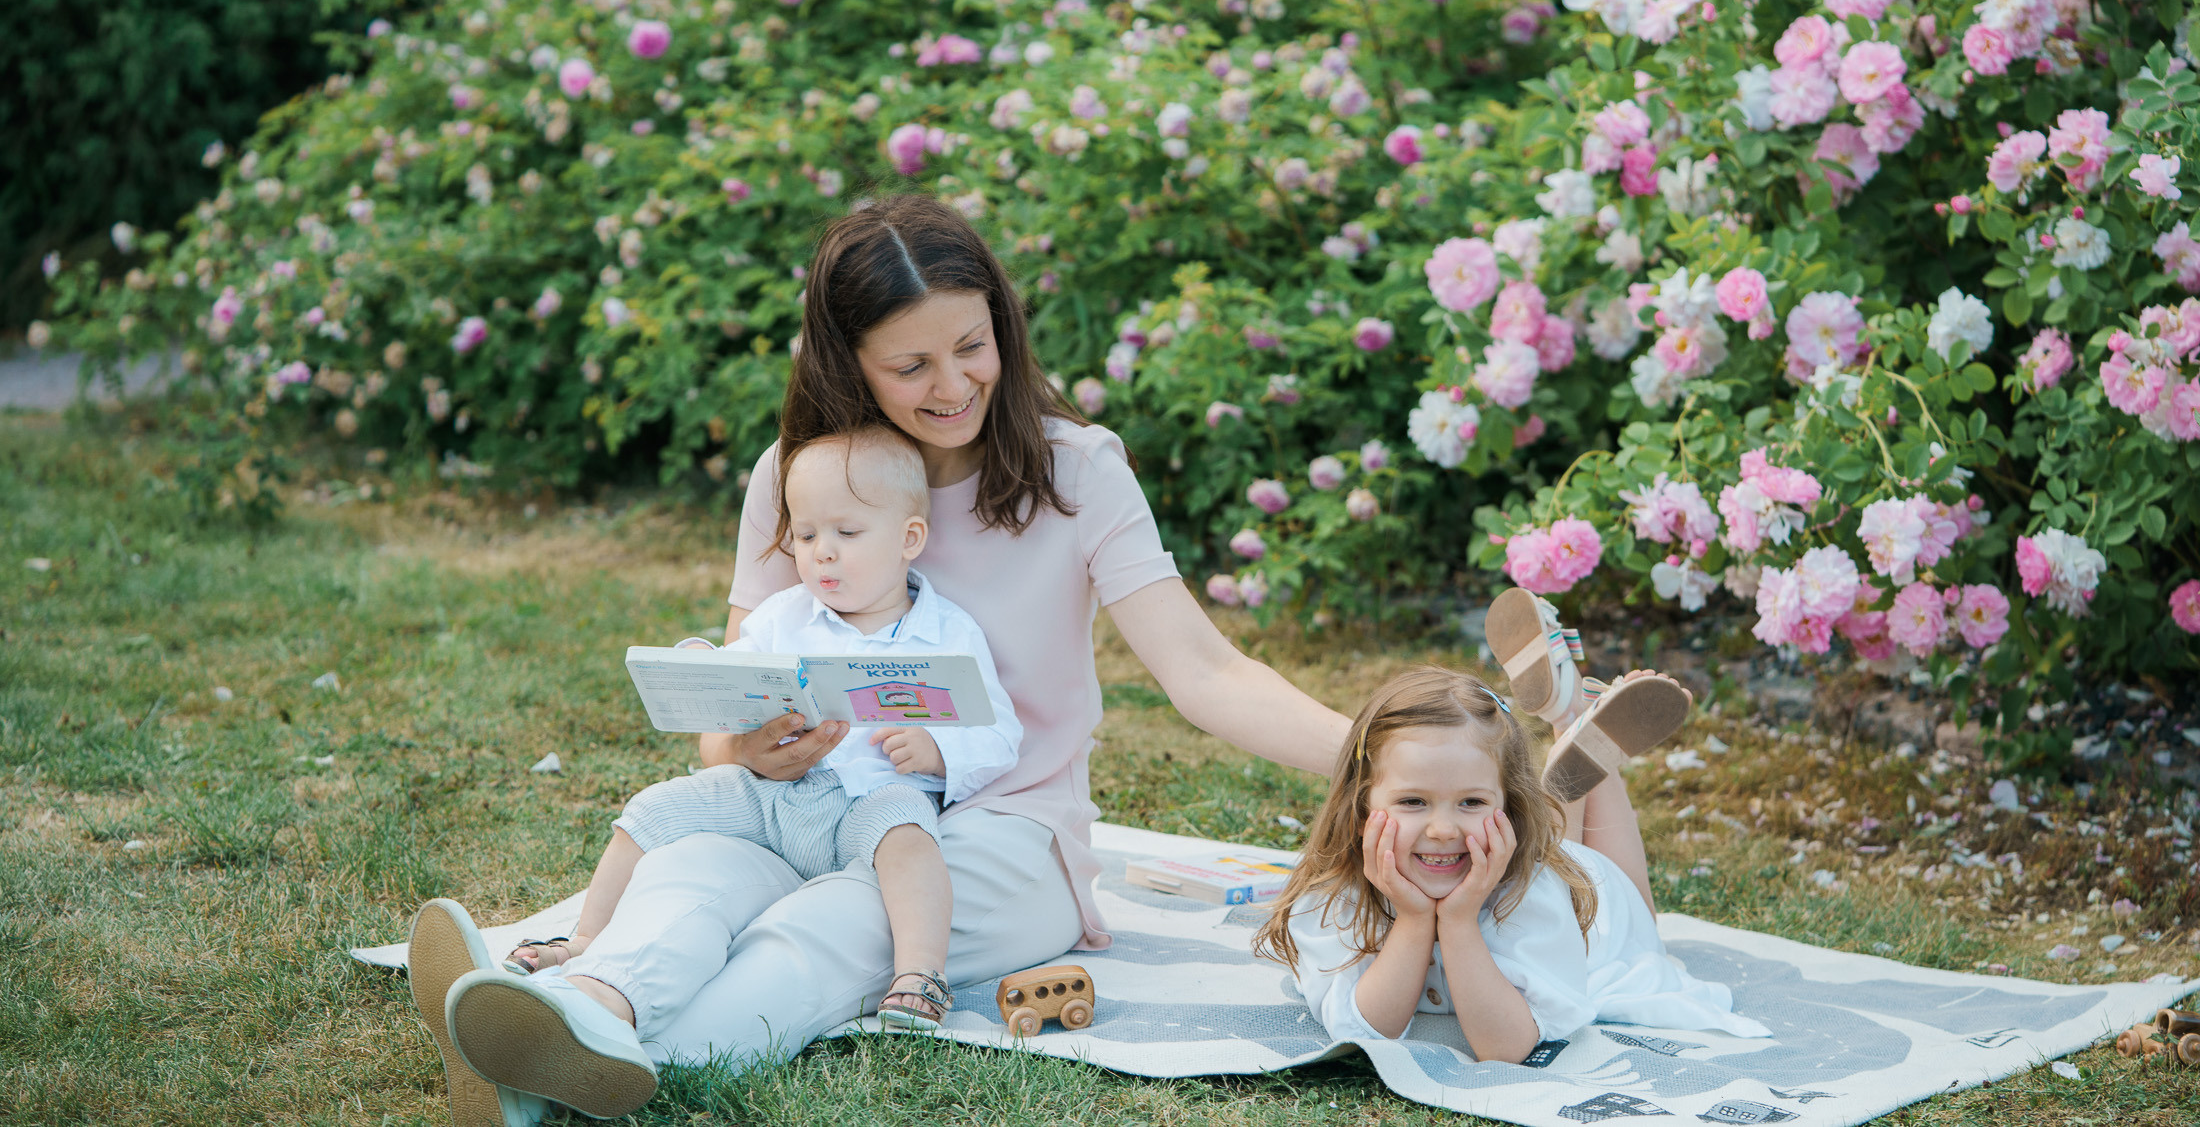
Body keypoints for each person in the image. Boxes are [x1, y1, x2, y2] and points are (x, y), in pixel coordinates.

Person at [405, 194, 1353, 1126]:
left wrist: (1378, 753)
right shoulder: (797, 477)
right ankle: (576, 1009)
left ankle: (558, 1066)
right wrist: (749, 748)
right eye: (911, 365)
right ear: (848, 361)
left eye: (972, 345)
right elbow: (730, 711)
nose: (954, 384)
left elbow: (1206, 673)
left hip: (1000, 828)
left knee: (829, 924)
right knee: (688, 877)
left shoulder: (1077, 471)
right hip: (801, 808)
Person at [487, 424, 1021, 1042]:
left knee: (911, 840)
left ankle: (920, 975)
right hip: (775, 794)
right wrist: (706, 673)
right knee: (653, 808)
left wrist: (938, 750)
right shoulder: (783, 617)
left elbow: (1000, 732)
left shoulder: (948, 633)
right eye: (806, 535)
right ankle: (586, 940)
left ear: (910, 538)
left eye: (847, 533)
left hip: (872, 802)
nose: (822, 552)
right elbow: (735, 685)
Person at [1253, 663, 1768, 1059]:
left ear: (1509, 808)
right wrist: (1414, 919)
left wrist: (1458, 922)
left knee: (1625, 902)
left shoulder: (1536, 895)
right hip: (1534, 859)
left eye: (1471, 802)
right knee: (1557, 848)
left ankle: (1589, 740)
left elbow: (1506, 1048)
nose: (1442, 829)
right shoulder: (1336, 895)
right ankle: (1573, 721)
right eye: (1413, 801)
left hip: (1596, 910)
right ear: (1361, 806)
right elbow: (1365, 1030)